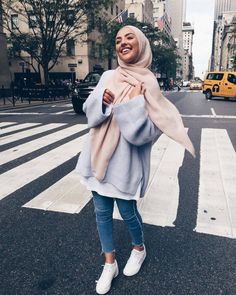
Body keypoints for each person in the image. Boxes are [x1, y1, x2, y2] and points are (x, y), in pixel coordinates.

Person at [75, 25, 195, 295]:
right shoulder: (108, 75)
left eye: (129, 38)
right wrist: (103, 102)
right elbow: (89, 111)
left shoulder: (149, 82)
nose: (123, 43)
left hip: (127, 159)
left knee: (128, 211)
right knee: (101, 213)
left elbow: (148, 133)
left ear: (141, 44)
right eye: (118, 40)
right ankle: (109, 263)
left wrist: (131, 106)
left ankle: (138, 249)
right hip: (97, 155)